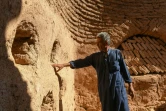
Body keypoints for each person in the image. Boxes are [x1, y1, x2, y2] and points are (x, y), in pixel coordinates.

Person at [52, 32, 135, 111]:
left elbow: (124, 70)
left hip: (118, 88)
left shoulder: (117, 53)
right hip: (105, 90)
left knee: (122, 107)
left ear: (106, 42)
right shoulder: (95, 57)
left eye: (99, 42)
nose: (97, 44)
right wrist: (64, 64)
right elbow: (81, 62)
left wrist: (130, 85)